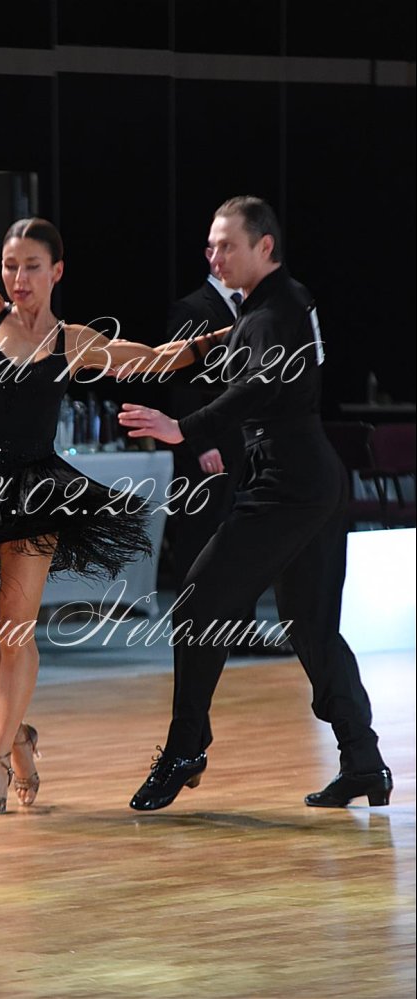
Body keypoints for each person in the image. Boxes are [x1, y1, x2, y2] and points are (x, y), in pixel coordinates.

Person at [0, 87, 225, 817]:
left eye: (30, 266)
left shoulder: (72, 340)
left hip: (33, 489)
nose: (17, 277)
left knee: (15, 627)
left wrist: (221, 340)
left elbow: (153, 359)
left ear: (57, 271)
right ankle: (19, 737)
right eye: (9, 264)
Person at [119, 196, 392, 812]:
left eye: (227, 245)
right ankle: (364, 761)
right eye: (211, 245)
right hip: (313, 479)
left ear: (265, 246)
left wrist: (184, 428)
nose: (214, 256)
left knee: (197, 604)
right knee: (311, 627)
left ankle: (185, 748)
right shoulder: (283, 302)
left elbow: (256, 385)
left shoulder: (272, 312)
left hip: (287, 484)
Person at [164, 268, 245, 590]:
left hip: (245, 440)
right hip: (209, 443)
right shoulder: (192, 308)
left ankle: (237, 616)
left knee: (239, 540)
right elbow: (180, 383)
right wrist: (201, 442)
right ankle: (192, 613)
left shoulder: (253, 306)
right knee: (200, 532)